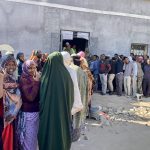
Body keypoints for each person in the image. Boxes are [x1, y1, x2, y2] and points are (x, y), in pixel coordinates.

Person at [38, 52, 74, 150]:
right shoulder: (67, 76)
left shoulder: (46, 76)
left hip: (47, 115)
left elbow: (40, 96)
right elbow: (71, 96)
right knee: (61, 133)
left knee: (47, 134)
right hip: (63, 113)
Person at [1, 55, 22, 150]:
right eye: (8, 64)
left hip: (12, 113)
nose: (11, 67)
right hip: (4, 114)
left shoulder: (14, 78)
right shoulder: (2, 78)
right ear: (3, 65)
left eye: (13, 64)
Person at [18, 60, 40, 150]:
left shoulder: (34, 77)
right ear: (25, 68)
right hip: (28, 113)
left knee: (33, 139)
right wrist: (37, 82)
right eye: (29, 68)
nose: (32, 70)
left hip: (36, 112)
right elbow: (30, 97)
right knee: (28, 140)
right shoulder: (24, 79)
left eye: (34, 67)